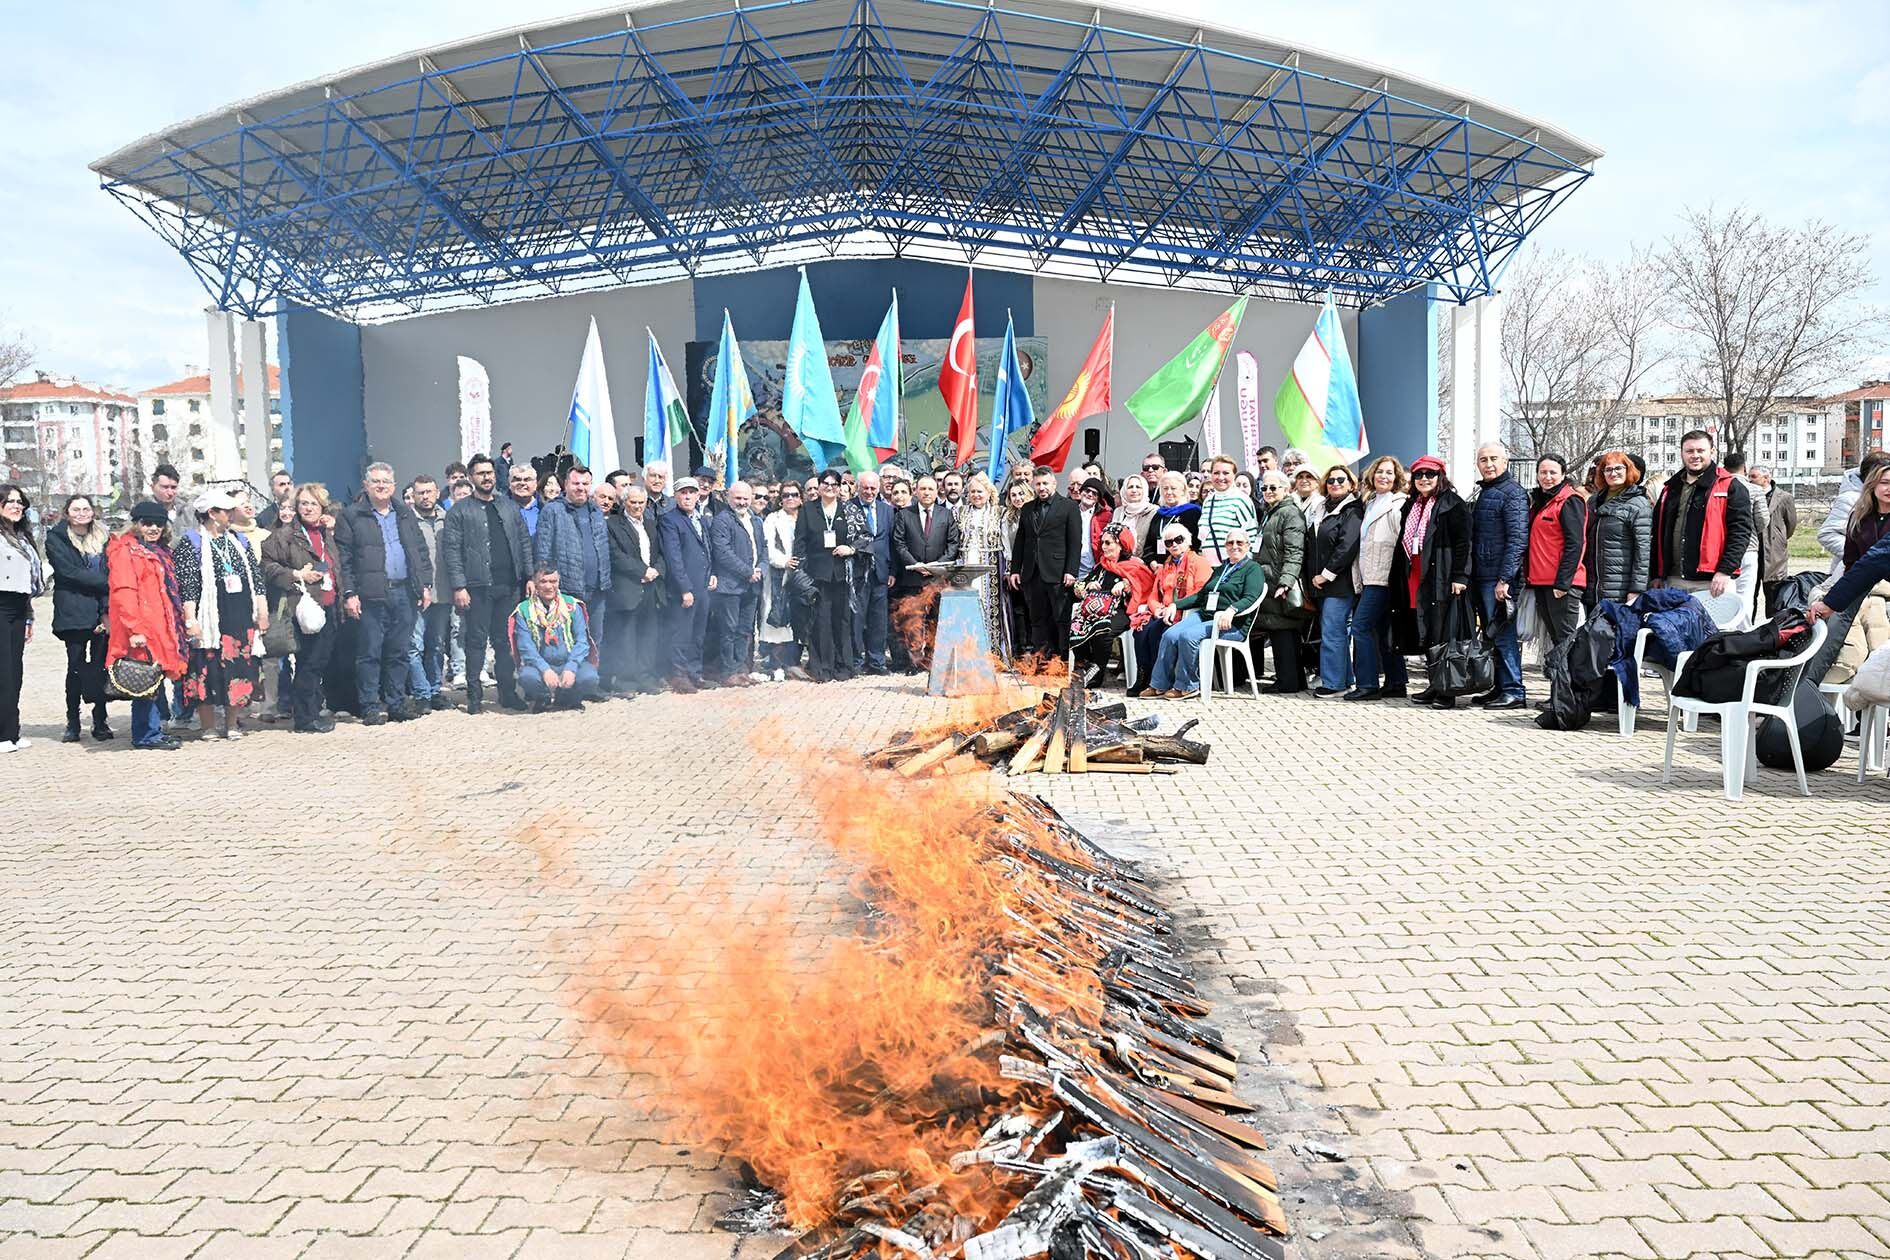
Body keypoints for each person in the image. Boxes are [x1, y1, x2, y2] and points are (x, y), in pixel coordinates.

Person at [335, 462, 434, 726]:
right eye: (375, 481)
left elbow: (420, 552)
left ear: (393, 485)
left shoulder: (405, 513)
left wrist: (425, 585)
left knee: (399, 651)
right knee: (370, 652)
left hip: (404, 591)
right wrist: (349, 593)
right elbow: (343, 560)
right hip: (370, 595)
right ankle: (369, 706)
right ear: (366, 485)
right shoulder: (351, 516)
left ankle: (396, 703)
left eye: (386, 482)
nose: (381, 486)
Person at [174, 489, 269, 739]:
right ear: (212, 514)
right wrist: (191, 619)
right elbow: (187, 585)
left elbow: (256, 579)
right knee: (207, 668)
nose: (231, 515)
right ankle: (208, 726)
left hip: (239, 616)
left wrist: (262, 611)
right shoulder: (191, 542)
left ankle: (233, 723)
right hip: (211, 619)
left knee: (238, 667)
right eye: (226, 511)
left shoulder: (240, 540)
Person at [441, 454, 531, 713]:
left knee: (505, 642)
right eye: (481, 473)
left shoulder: (508, 506)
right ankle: (474, 696)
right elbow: (452, 551)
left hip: (509, 586)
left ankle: (507, 692)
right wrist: (459, 586)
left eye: (490, 472)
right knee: (476, 642)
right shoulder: (460, 511)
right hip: (477, 587)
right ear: (471, 478)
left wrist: (530, 576)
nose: (487, 477)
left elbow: (523, 541)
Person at [260, 483, 345, 733]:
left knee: (319, 662)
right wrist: (295, 574)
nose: (308, 508)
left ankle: (313, 711)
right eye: (304, 503)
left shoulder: (327, 533)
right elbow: (266, 565)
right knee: (308, 662)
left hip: (329, 604)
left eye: (313, 504)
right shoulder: (285, 535)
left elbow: (334, 564)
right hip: (302, 607)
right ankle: (305, 718)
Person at [105, 503, 190, 751]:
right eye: (147, 523)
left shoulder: (158, 550)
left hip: (159, 626)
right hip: (141, 628)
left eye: (158, 523)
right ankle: (145, 734)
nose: (153, 528)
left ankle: (152, 730)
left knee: (153, 679)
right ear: (136, 523)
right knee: (144, 680)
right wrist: (135, 629)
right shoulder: (125, 551)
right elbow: (125, 591)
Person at [1144, 529, 1265, 700]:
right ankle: (1159, 685)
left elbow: (1251, 597)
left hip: (1231, 623)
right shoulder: (1222, 568)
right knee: (1170, 635)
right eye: (1230, 543)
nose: (1235, 546)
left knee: (1189, 636)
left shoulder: (1253, 569)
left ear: (1248, 545)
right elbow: (1201, 596)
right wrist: (1174, 605)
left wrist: (1232, 610)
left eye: (1239, 543)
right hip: (1205, 615)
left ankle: (1188, 686)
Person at [1394, 456, 1473, 709]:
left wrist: (1460, 576)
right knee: (1427, 630)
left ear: (1441, 477)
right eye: (1419, 475)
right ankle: (1434, 683)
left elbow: (1464, 543)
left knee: (1443, 632)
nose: (1424, 479)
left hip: (1442, 575)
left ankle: (1447, 690)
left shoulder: (1453, 504)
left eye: (1430, 474)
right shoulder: (1412, 505)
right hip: (1416, 574)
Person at [535, 464, 613, 688]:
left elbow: (603, 547)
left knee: (593, 640)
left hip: (597, 588)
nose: (580, 488)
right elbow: (543, 550)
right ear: (566, 485)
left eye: (585, 484)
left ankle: (589, 684)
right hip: (567, 590)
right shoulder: (553, 510)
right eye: (575, 483)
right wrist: (546, 585)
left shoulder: (595, 510)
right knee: (565, 642)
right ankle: (562, 688)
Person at [1651, 430, 1752, 601]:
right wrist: (1656, 574)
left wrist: (1725, 570)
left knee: (1713, 628)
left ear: (1712, 452)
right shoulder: (1671, 488)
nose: (1695, 456)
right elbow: (1657, 533)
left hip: (1712, 581)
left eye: (1700, 450)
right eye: (1689, 451)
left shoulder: (1730, 486)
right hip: (1674, 581)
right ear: (1682, 453)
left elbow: (1740, 533)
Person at [45, 494, 114, 742]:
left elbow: (111, 567)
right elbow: (67, 572)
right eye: (76, 509)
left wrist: (106, 605)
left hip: (100, 611)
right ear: (67, 512)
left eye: (86, 508)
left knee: (100, 668)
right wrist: (107, 583)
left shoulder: (105, 538)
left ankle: (100, 720)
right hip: (73, 612)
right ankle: (73, 721)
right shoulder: (56, 537)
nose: (82, 513)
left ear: (93, 512)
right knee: (75, 667)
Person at [1467, 442, 1529, 709]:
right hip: (1482, 575)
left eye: (1494, 458)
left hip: (1499, 579)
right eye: (1483, 459)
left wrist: (1505, 578)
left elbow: (1517, 539)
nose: (1488, 464)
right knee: (1491, 636)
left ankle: (1515, 690)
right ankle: (1499, 687)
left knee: (1503, 635)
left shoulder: (1513, 493)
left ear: (1506, 462)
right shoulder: (1485, 491)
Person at [1346, 458, 1407, 701]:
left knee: (1360, 628)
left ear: (1397, 477)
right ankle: (1396, 682)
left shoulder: (1398, 504)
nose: (1384, 476)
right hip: (1369, 576)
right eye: (1380, 472)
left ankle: (1368, 684)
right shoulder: (1370, 503)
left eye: (1389, 473)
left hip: (1384, 578)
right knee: (1383, 631)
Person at [1010, 465, 1082, 665]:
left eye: (1045, 483)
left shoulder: (1069, 507)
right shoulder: (1027, 508)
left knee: (1060, 618)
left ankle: (1061, 661)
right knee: (1037, 619)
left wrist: (1071, 570)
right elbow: (1020, 543)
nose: (1042, 488)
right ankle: (1042, 660)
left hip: (1058, 573)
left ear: (1054, 483)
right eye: (1038, 484)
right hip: (1032, 574)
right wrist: (1016, 569)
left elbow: (1075, 542)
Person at [793, 468, 860, 683]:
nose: (830, 488)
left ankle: (843, 666)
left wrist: (850, 549)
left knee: (842, 620)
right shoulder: (808, 510)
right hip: (817, 575)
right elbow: (800, 542)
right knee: (820, 621)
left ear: (840, 487)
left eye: (834, 484)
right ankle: (821, 667)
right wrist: (802, 571)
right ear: (819, 486)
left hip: (842, 575)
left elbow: (865, 536)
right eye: (825, 484)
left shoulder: (849, 509)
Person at [1130, 524, 1210, 697]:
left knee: (1160, 632)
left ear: (1188, 541)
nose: (1174, 544)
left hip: (1185, 612)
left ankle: (1163, 681)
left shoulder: (1199, 562)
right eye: (1169, 542)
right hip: (1164, 611)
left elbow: (1201, 593)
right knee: (1141, 631)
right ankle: (1145, 677)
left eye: (1179, 540)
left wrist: (1176, 606)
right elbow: (1153, 595)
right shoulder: (1165, 566)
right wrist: (1157, 608)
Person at [602, 481, 667, 693]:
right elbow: (615, 555)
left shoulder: (650, 524)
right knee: (626, 637)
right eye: (633, 502)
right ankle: (625, 682)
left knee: (649, 635)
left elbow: (660, 552)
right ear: (624, 503)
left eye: (641, 502)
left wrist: (657, 569)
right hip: (627, 588)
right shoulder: (613, 524)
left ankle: (645, 677)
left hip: (651, 588)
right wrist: (641, 571)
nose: (637, 506)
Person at [892, 475, 960, 673]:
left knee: (934, 620)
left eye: (930, 489)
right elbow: (899, 543)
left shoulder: (945, 514)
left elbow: (953, 543)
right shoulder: (905, 515)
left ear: (936, 491)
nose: (927, 493)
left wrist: (937, 565)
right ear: (916, 491)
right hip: (912, 577)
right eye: (923, 489)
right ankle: (914, 661)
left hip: (937, 578)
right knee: (913, 621)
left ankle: (931, 659)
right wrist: (915, 564)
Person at [1070, 523, 1153, 685]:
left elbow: (1144, 586)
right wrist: (1087, 586)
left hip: (1121, 610)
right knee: (1075, 627)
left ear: (1121, 545)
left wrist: (1125, 585)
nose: (1103, 547)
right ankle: (1083, 667)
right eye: (1102, 542)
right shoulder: (1101, 566)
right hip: (1093, 611)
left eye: (1108, 543)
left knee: (1103, 631)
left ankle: (1096, 674)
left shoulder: (1135, 565)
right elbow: (1079, 586)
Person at [1524, 454, 1588, 652]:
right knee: (1555, 641)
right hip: (1541, 582)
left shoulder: (1569, 501)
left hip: (1561, 584)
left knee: (1565, 641)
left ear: (1563, 475)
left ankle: (1569, 683)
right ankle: (1558, 683)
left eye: (1553, 472)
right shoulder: (1541, 502)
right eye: (1543, 472)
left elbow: (1575, 544)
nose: (1548, 477)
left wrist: (1563, 582)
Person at [1308, 466, 1363, 697]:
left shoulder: (1353, 510)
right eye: (1331, 480)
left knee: (1333, 632)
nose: (1336, 483)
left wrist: (1327, 573)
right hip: (1321, 583)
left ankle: (1333, 684)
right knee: (1334, 631)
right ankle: (1344, 679)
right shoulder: (1320, 508)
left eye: (1341, 479)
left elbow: (1347, 546)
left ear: (1351, 484)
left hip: (1340, 583)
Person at [511, 567, 598, 710]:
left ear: (558, 583)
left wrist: (571, 667)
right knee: (527, 677)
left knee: (589, 677)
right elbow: (525, 647)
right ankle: (543, 697)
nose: (548, 586)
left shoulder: (572, 606)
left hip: (568, 661)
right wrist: (545, 669)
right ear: (535, 584)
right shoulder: (524, 610)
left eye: (553, 581)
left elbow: (582, 641)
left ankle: (569, 695)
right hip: (541, 664)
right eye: (543, 581)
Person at [708, 480, 767, 686]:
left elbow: (763, 549)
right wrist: (747, 572)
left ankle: (741, 668)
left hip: (752, 585)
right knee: (729, 630)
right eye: (738, 498)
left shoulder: (756, 520)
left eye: (745, 498)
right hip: (730, 586)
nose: (742, 502)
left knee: (745, 630)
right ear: (729, 498)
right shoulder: (722, 520)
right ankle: (728, 671)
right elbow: (723, 552)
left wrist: (761, 569)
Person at [658, 477, 714, 692]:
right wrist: (685, 589)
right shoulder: (670, 520)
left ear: (698, 495)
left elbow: (707, 549)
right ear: (676, 496)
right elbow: (674, 558)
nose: (688, 496)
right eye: (683, 492)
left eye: (692, 492)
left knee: (698, 633)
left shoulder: (700, 518)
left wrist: (713, 573)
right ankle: (679, 676)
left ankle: (695, 673)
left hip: (703, 586)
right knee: (681, 633)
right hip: (684, 589)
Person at [404, 475, 452, 711]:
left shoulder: (447, 518)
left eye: (429, 492)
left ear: (437, 493)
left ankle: (435, 691)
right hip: (416, 595)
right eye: (420, 492)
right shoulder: (406, 521)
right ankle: (421, 694)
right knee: (414, 646)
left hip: (443, 593)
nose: (425, 497)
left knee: (437, 645)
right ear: (413, 496)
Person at [0, 485, 43, 752]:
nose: (16, 506)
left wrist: (28, 617)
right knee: (3, 671)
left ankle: (12, 731)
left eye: (20, 502)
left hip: (18, 606)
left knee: (15, 671)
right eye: (10, 501)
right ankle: (2, 734)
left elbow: (27, 583)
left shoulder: (23, 538)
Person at [1582, 451, 1652, 610]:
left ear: (1628, 470)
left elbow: (1643, 551)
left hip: (1621, 590)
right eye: (1608, 469)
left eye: (1618, 468)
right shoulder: (1594, 501)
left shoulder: (1638, 504)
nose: (1613, 473)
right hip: (1592, 588)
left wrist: (1636, 589)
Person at [956, 473, 1009, 664]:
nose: (976, 495)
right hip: (966, 565)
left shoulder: (999, 512)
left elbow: (1006, 542)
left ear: (988, 492)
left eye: (980, 491)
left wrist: (1009, 569)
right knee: (967, 609)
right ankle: (968, 655)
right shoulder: (960, 512)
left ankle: (991, 655)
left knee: (990, 608)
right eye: (972, 492)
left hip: (991, 567)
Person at [850, 470, 895, 676]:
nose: (869, 492)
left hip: (881, 572)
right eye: (865, 488)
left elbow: (892, 543)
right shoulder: (849, 508)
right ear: (858, 488)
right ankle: (857, 661)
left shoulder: (887, 510)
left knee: (879, 619)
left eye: (873, 488)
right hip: (858, 573)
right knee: (856, 619)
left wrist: (892, 570)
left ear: (879, 489)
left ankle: (876, 661)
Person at [762, 481, 805, 681]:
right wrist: (784, 562)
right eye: (786, 495)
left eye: (794, 494)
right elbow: (768, 548)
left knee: (799, 617)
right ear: (780, 498)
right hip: (781, 574)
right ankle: (776, 664)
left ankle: (793, 662)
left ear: (801, 497)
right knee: (778, 617)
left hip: (804, 575)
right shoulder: (773, 519)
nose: (790, 498)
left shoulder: (806, 517)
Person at [1818, 450, 1888, 570]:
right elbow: (1827, 534)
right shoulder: (1850, 499)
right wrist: (1862, 553)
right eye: (1883, 481)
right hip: (1856, 570)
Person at [1722, 450, 1769, 621]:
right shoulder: (1755, 490)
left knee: (1726, 593)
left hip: (1724, 548)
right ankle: (1744, 632)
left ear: (1724, 468)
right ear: (1744, 469)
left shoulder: (1721, 487)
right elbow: (1763, 519)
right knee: (1746, 594)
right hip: (1749, 548)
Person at [1749, 466, 1798, 614]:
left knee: (1774, 598)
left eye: (1754, 476)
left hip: (1775, 556)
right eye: (1749, 476)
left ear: (1766, 479)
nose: (1750, 480)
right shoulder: (1747, 495)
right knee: (1750, 596)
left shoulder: (1784, 498)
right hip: (1753, 552)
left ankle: (1773, 631)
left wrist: (1779, 539)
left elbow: (1791, 524)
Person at [1142, 471, 1202, 563]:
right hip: (1159, 568)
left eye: (1173, 488)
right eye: (1165, 488)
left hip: (1185, 566)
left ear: (1183, 490)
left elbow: (1196, 544)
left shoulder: (1193, 513)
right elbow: (1149, 545)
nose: (1169, 492)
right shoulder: (1158, 515)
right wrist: (1152, 562)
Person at [1075, 478, 1115, 579]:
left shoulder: (1107, 516)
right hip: (1072, 569)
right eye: (1087, 490)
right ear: (1081, 492)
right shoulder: (1070, 510)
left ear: (1098, 498)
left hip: (1094, 568)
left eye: (1094, 493)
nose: (1090, 494)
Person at [1111, 474, 1156, 556]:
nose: (1134, 490)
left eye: (1138, 487)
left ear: (1144, 490)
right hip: (1118, 561)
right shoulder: (1118, 512)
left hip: (1142, 562)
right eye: (1130, 487)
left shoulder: (1153, 511)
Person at [509, 463, 544, 539]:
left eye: (527, 479)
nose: (522, 483)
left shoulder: (545, 509)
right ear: (509, 484)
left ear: (535, 484)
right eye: (517, 479)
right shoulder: (500, 510)